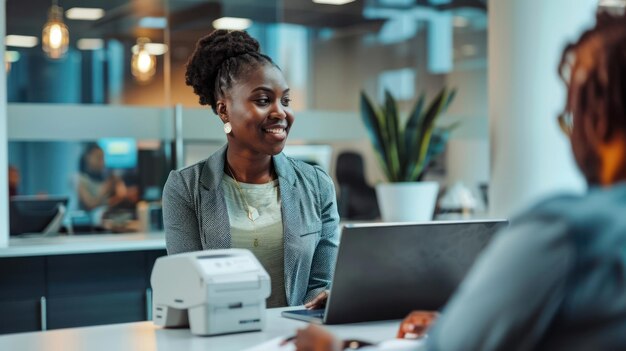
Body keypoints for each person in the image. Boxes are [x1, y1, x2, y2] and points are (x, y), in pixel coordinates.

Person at [293, 11, 626, 351]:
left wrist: (336, 348)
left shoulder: (567, 231)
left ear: (597, 119)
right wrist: (467, 323)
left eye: (570, 115)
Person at [162, 30, 339, 309]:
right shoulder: (186, 188)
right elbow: (188, 290)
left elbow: (322, 284)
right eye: (263, 100)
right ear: (224, 110)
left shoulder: (317, 185)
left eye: (286, 101)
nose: (281, 112)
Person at [77, 143, 128, 212]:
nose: (102, 162)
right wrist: (105, 190)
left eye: (103, 158)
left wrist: (119, 186)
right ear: (88, 157)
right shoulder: (80, 179)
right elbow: (90, 205)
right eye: (98, 157)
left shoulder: (104, 178)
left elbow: (115, 199)